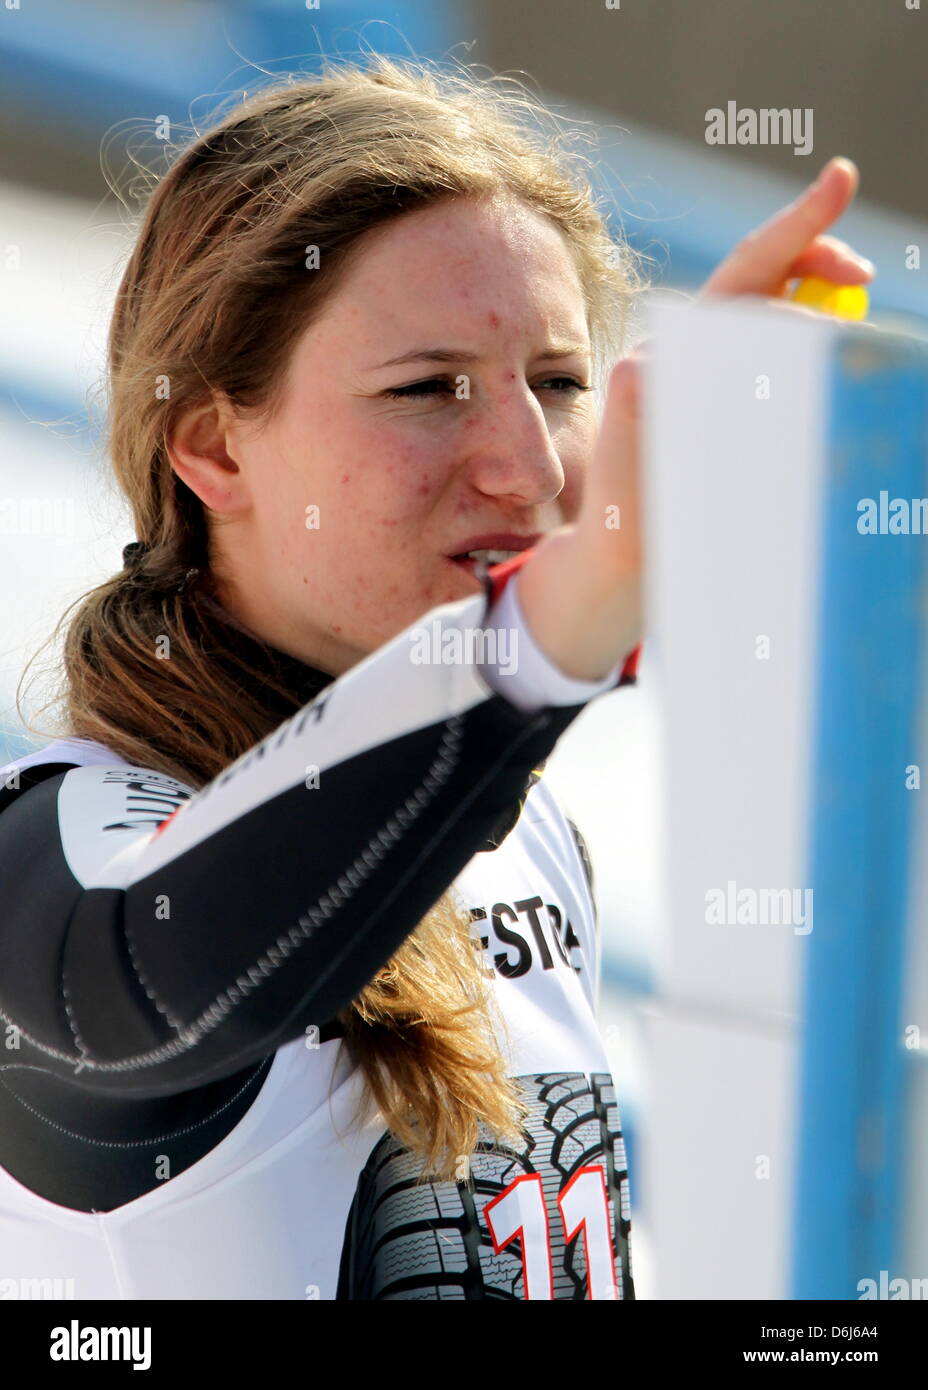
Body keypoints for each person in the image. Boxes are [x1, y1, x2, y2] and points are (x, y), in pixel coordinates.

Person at [0, 55, 873, 1300]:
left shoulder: (526, 836)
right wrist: (549, 627)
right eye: (428, 389)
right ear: (209, 443)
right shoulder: (60, 838)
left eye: (560, 384)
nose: (526, 465)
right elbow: (139, 989)